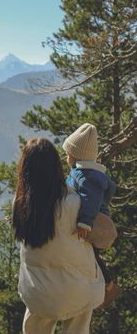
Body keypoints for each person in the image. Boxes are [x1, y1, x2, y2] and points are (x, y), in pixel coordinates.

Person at [13, 137, 105, 334]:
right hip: (77, 290)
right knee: (78, 322)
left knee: (36, 320)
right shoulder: (75, 202)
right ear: (55, 166)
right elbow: (105, 236)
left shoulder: (20, 203)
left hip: (38, 292)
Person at [62, 123, 120, 307]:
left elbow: (90, 198)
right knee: (90, 255)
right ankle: (104, 286)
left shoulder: (84, 176)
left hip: (91, 221)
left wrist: (85, 222)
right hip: (90, 218)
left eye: (68, 153)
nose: (66, 156)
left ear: (76, 155)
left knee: (91, 256)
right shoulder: (83, 173)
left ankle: (108, 286)